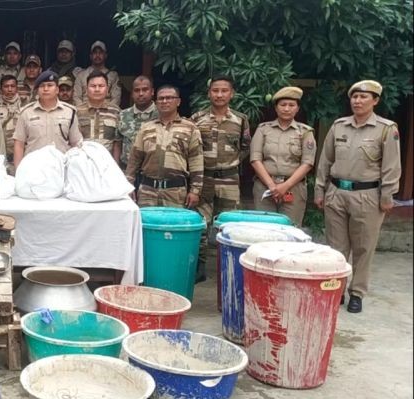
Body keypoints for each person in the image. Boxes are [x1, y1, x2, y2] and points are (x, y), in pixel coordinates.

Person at [314, 80, 401, 314]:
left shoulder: (386, 128)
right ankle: (336, 290)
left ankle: (357, 292)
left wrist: (387, 195)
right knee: (335, 247)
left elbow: (392, 166)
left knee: (364, 247)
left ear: (375, 101)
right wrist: (319, 189)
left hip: (368, 196)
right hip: (336, 193)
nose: (358, 101)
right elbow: (325, 161)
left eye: (364, 97)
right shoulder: (338, 126)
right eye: (355, 97)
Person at [191, 74, 251, 283]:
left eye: (224, 91)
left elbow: (245, 148)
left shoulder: (240, 120)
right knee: (200, 225)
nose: (219, 95)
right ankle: (199, 267)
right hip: (204, 179)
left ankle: (229, 268)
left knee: (230, 226)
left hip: (229, 180)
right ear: (209, 93)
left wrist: (229, 164)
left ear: (231, 94)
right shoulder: (197, 118)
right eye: (215, 91)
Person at [124, 84, 203, 209]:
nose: (164, 101)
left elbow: (196, 161)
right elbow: (134, 159)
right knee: (146, 225)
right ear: (156, 102)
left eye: (169, 98)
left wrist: (195, 190)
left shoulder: (190, 128)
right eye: (161, 98)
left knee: (173, 226)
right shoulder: (146, 128)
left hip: (175, 192)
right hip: (147, 191)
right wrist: (128, 185)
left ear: (178, 102)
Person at [250, 86, 316, 226]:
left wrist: (285, 186)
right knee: (264, 229)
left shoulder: (305, 132)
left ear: (297, 108)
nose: (287, 109)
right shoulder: (263, 129)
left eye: (291, 105)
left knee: (290, 230)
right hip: (265, 187)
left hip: (294, 189)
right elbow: (255, 159)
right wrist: (272, 186)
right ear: (276, 108)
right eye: (283, 105)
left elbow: (307, 163)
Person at [12, 70, 82, 168]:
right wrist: (18, 171)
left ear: (57, 90)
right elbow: (19, 144)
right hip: (34, 168)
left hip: (62, 168)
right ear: (37, 90)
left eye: (50, 85)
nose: (45, 89)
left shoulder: (70, 112)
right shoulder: (26, 113)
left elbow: (76, 144)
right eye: (42, 86)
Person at [76, 70, 122, 161]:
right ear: (86, 89)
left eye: (101, 86)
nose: (97, 89)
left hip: (107, 162)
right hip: (82, 162)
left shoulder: (116, 112)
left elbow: (117, 143)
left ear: (107, 89)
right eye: (93, 86)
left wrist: (115, 166)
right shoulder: (76, 111)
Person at [118, 75, 157, 168]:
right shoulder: (123, 115)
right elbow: (118, 142)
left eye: (145, 90)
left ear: (152, 92)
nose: (141, 93)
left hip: (151, 172)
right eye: (137, 90)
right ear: (132, 93)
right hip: (126, 170)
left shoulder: (161, 114)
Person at [73, 41, 121, 106]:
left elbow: (116, 98)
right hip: (84, 111)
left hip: (107, 111)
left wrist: (108, 111)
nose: (97, 55)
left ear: (105, 55)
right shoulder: (81, 75)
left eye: (100, 52)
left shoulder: (113, 75)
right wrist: (82, 111)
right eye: (95, 52)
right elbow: (76, 97)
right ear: (90, 56)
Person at [0, 74, 23, 174]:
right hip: (0, 158)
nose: (9, 89)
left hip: (20, 157)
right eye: (6, 86)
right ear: (0, 89)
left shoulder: (24, 106)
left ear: (17, 88)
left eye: (12, 86)